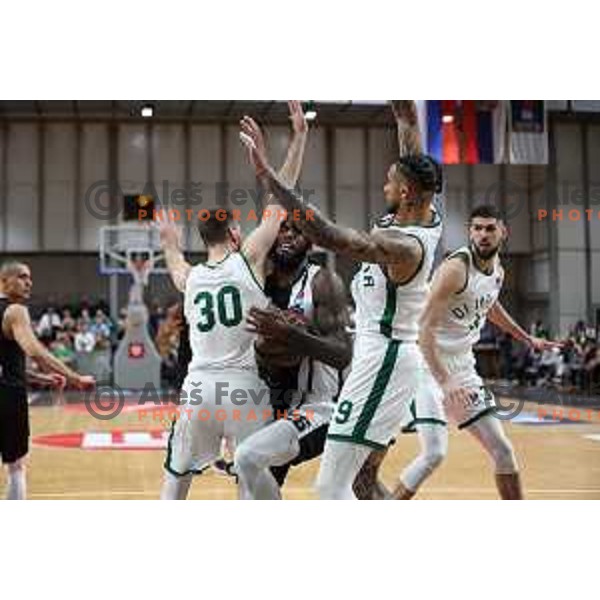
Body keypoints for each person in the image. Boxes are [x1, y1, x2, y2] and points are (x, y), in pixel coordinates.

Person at [240, 99, 444, 499]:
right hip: (382, 359)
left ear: (405, 192)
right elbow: (413, 156)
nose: (383, 186)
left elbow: (332, 236)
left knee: (331, 486)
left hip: (383, 360)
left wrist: (271, 179)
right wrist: (404, 115)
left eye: (388, 181)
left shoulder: (403, 245)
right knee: (361, 482)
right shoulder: (418, 208)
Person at [158, 101, 309, 500]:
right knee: (249, 480)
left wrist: (169, 240)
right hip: (243, 387)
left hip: (198, 387)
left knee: (175, 480)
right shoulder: (249, 259)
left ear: (202, 240)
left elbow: (173, 256)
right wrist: (298, 139)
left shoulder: (190, 278)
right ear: (235, 231)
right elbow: (281, 200)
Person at [410, 205, 561, 500]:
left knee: (503, 451)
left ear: (503, 232)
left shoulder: (498, 271)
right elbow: (423, 330)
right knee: (432, 455)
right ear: (470, 232)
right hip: (427, 366)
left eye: (490, 228)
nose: (483, 234)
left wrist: (526, 338)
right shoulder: (455, 269)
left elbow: (490, 304)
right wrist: (445, 379)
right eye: (477, 228)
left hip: (463, 370)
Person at [233, 216, 352, 499]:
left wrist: (291, 335)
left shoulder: (324, 282)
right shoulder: (260, 284)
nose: (287, 236)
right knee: (248, 490)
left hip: (318, 408)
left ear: (310, 241)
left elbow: (342, 354)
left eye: (297, 232)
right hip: (271, 405)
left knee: (248, 458)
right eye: (282, 230)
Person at [0, 261, 95, 500]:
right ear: (4, 281)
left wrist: (41, 378)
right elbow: (35, 351)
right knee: (16, 466)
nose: (29, 282)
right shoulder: (15, 310)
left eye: (29, 277)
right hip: (7, 398)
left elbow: (9, 365)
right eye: (22, 277)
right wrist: (75, 378)